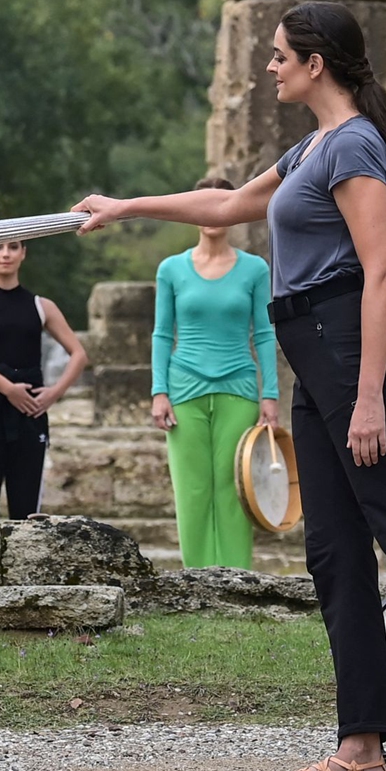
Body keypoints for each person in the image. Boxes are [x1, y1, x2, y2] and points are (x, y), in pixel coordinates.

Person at [73, 1, 386, 771]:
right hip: (312, 351)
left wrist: (368, 397)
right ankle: (361, 746)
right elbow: (226, 206)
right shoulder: (310, 148)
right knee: (332, 551)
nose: (269, 66)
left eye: (279, 55)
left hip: (350, 350)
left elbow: (382, 271)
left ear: (316, 63)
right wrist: (126, 206)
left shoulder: (356, 144)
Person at [150, 177, 278, 569]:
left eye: (221, 202)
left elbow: (265, 332)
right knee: (192, 489)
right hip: (183, 389)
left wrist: (269, 395)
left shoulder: (255, 269)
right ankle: (197, 579)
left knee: (234, 487)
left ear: (235, 210)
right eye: (202, 204)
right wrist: (159, 391)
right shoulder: (171, 269)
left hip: (238, 389)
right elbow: (161, 333)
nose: (211, 213)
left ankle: (237, 577)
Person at [0, 239, 87, 518]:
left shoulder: (41, 306)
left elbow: (78, 354)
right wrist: (8, 389)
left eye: (13, 247)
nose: (6, 254)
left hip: (30, 412)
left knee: (27, 514)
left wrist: (53, 393)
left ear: (23, 253)